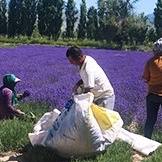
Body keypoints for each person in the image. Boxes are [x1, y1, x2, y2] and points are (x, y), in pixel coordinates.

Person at [143, 38, 162, 139]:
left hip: (152, 94)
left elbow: (145, 78)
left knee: (150, 120)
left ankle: (147, 141)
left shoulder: (151, 61)